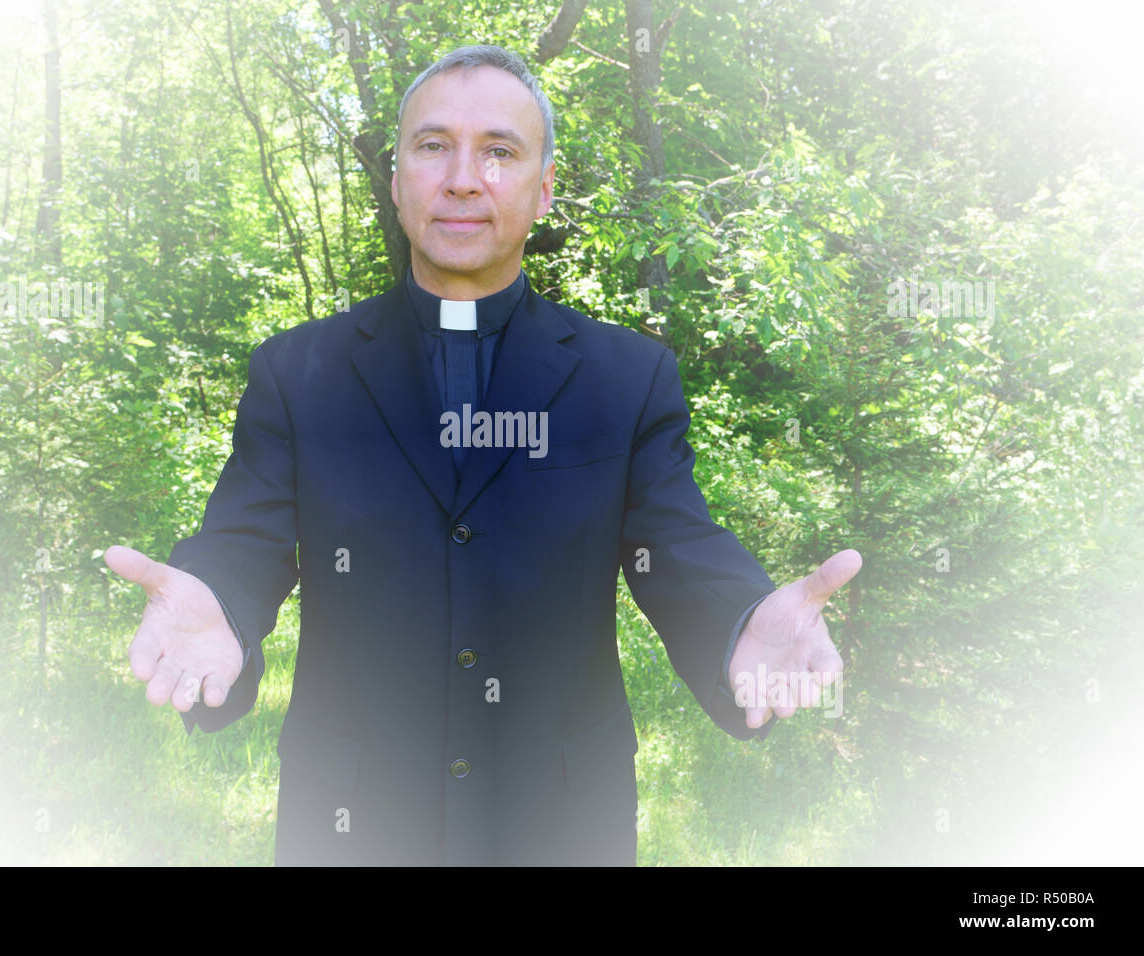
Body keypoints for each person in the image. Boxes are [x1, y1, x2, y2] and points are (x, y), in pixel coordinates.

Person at [104, 44, 860, 865]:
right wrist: (216, 600)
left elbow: (674, 547)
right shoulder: (300, 372)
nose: (464, 177)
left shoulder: (625, 378)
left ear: (542, 187)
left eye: (499, 151)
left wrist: (741, 620)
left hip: (561, 822)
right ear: (397, 181)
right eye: (433, 147)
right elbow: (243, 541)